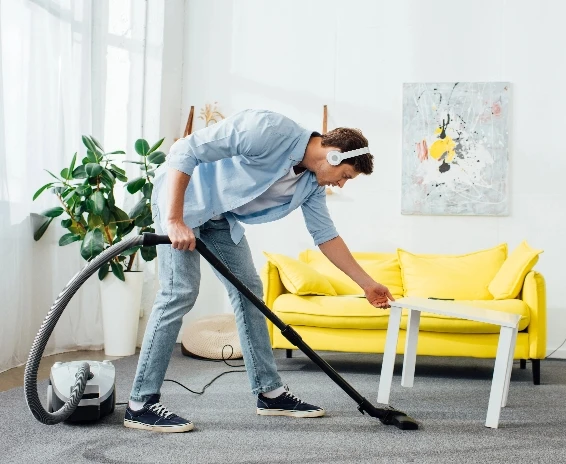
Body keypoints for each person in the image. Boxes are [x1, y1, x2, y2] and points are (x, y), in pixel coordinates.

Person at [123, 109, 395, 432]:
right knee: (180, 291)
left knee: (250, 292)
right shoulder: (267, 130)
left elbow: (327, 237)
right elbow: (184, 150)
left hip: (219, 216)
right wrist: (173, 220)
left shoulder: (310, 185)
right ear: (334, 157)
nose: (342, 184)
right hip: (183, 202)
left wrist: (367, 284)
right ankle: (140, 403)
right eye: (346, 176)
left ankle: (270, 393)